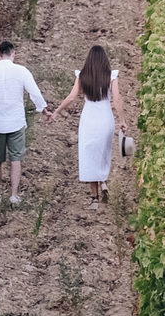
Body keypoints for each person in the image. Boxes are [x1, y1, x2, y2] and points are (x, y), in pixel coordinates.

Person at [45, 43, 125, 209]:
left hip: (89, 118)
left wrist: (57, 111)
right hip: (105, 118)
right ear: (105, 60)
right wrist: (122, 120)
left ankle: (94, 199)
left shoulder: (82, 76)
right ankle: (103, 180)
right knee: (103, 151)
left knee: (89, 154)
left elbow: (72, 97)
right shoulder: (111, 76)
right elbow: (117, 99)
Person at [0, 39, 48, 206]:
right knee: (16, 159)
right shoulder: (22, 71)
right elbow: (34, 92)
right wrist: (43, 110)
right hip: (16, 121)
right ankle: (14, 195)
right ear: (13, 54)